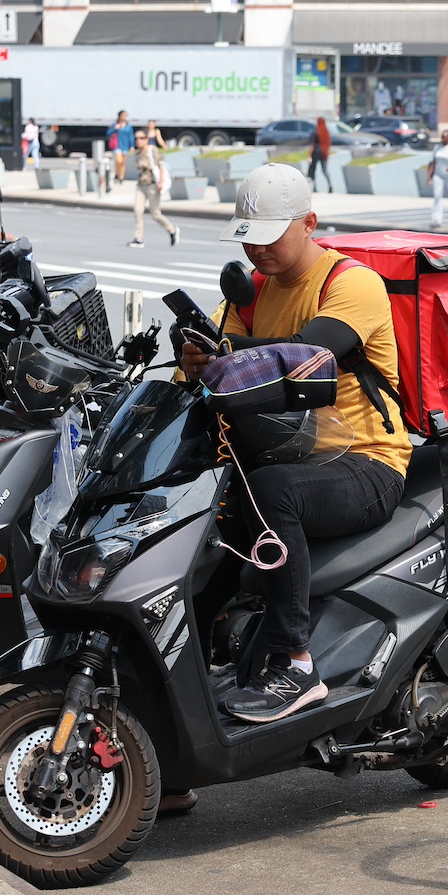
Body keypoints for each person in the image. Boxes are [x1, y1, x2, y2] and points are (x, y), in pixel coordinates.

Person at [180, 164, 410, 723]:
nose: (258, 253)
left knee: (270, 493)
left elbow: (307, 354)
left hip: (367, 462)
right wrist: (195, 356)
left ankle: (296, 663)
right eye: (250, 240)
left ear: (309, 222)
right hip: (286, 451)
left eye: (270, 238)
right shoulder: (254, 293)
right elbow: (215, 350)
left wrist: (228, 347)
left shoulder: (352, 284)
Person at [129, 128, 179, 249]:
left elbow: (161, 165)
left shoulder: (152, 150)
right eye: (136, 139)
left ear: (146, 139)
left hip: (153, 185)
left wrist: (161, 182)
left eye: (141, 138)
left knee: (155, 214)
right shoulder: (137, 153)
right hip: (141, 185)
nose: (138, 141)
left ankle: (172, 230)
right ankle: (139, 238)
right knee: (137, 210)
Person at [307, 117, 333, 193]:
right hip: (324, 153)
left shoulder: (315, 131)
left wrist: (309, 156)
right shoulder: (326, 132)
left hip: (315, 153)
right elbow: (328, 143)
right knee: (325, 171)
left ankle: (314, 187)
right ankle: (330, 185)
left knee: (313, 170)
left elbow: (312, 145)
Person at [107, 110, 130, 186]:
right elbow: (108, 134)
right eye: (123, 115)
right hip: (117, 145)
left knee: (123, 163)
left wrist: (132, 145)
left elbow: (131, 136)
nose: (124, 117)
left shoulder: (128, 126)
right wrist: (115, 129)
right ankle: (116, 173)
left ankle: (121, 178)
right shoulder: (115, 124)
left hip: (125, 146)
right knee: (119, 161)